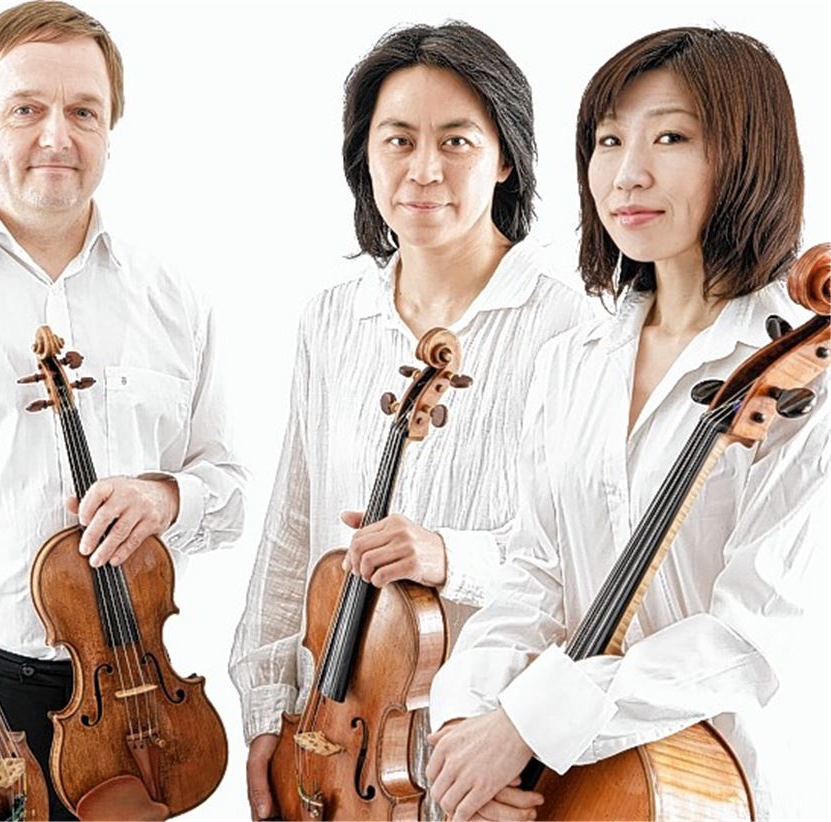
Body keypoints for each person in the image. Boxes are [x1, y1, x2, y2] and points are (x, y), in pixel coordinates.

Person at [424, 26, 828, 821]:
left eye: (671, 136)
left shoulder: (803, 374)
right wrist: (471, 718)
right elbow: (532, 568)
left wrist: (532, 721)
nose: (627, 172)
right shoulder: (571, 358)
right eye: (607, 140)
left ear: (749, 155)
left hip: (710, 785)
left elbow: (749, 635)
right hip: (559, 784)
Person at [0, 2, 246, 816]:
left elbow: (230, 489)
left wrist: (166, 497)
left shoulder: (173, 297)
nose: (56, 136)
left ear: (112, 127)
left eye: (84, 112)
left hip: (137, 698)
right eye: (26, 109)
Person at [228, 21, 591, 821]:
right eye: (398, 140)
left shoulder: (571, 332)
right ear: (365, 156)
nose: (424, 170)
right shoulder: (332, 318)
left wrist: (447, 554)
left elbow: (587, 567)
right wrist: (267, 711)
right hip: (332, 738)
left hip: (486, 757)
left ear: (505, 157)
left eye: (456, 141)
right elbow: (292, 528)